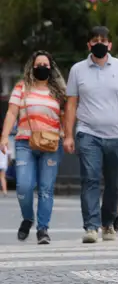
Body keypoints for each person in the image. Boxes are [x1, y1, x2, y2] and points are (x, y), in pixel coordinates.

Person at [64, 26, 118, 244]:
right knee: (90, 179)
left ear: (110, 44)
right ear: (88, 44)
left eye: (103, 40)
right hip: (88, 132)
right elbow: (71, 105)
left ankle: (108, 222)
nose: (99, 43)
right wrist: (68, 135)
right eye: (95, 40)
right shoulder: (77, 70)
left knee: (115, 184)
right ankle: (91, 226)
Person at [0, 51, 66, 243]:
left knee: (46, 189)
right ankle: (28, 217)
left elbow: (67, 115)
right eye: (39, 64)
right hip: (24, 143)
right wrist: (4, 137)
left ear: (51, 68)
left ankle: (43, 230)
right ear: (32, 67)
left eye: (46, 64)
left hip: (52, 143)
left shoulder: (58, 92)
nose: (42, 67)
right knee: (24, 186)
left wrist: (67, 134)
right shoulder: (22, 88)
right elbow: (12, 113)